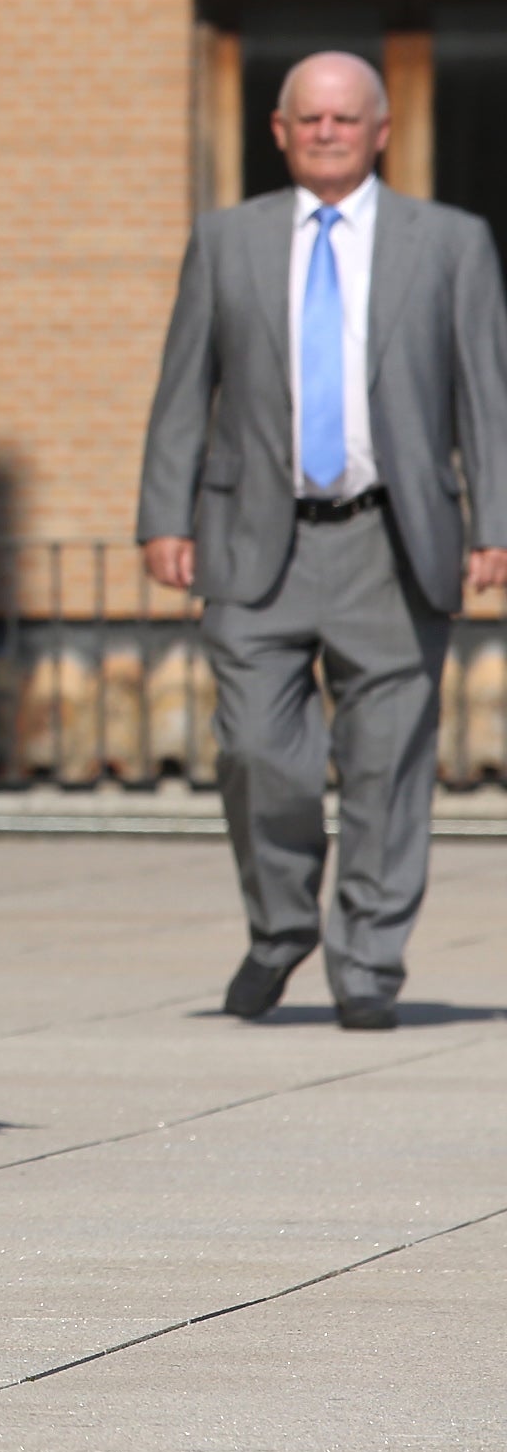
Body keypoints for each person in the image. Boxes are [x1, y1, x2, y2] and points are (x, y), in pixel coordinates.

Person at [139, 51, 507, 1030]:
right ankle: (280, 927)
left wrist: (495, 524)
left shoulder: (451, 242)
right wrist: (164, 514)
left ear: (381, 129)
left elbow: (487, 394)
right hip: (258, 539)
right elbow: (184, 389)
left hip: (395, 540)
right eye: (311, 119)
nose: (329, 132)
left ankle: (369, 966)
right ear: (280, 130)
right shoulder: (227, 240)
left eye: (347, 118)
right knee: (261, 752)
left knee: (389, 765)